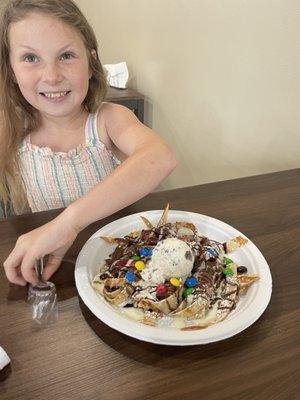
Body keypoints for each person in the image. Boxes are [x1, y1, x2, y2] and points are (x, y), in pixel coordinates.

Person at [0, 0, 177, 286]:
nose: (52, 76)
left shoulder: (108, 120)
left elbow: (160, 157)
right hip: (57, 267)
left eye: (66, 55)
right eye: (31, 58)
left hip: (123, 265)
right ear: (11, 70)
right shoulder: (11, 130)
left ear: (91, 64)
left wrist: (67, 223)